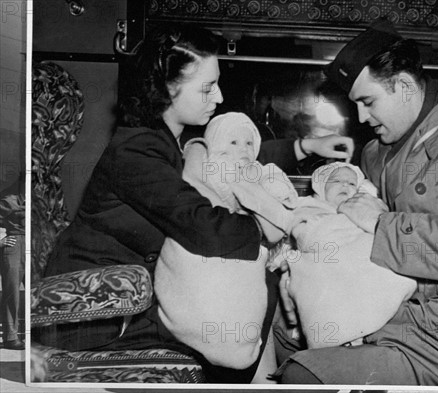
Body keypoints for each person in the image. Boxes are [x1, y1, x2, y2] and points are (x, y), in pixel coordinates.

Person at [33, 24, 353, 383]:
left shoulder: (162, 140)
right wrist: (275, 231)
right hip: (104, 312)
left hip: (137, 297)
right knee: (251, 292)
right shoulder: (136, 151)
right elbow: (203, 225)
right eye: (207, 88)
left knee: (256, 290)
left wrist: (305, 147)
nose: (218, 97)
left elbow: (228, 157)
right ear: (168, 88)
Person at [275, 19, 438, 386]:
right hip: (404, 316)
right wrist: (297, 271)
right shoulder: (376, 155)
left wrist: (382, 225)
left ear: (402, 86)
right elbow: (347, 233)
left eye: (368, 102)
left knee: (301, 375)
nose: (362, 118)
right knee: (279, 328)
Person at [155, 112, 297, 374]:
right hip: (201, 254)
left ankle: (247, 354)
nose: (242, 149)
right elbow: (199, 202)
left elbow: (280, 211)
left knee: (265, 282)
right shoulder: (207, 165)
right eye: (232, 143)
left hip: (243, 253)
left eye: (248, 143)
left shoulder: (256, 174)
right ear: (215, 145)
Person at [274, 162, 416, 350]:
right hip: (322, 259)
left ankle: (364, 327)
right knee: (318, 281)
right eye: (337, 181)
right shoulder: (306, 207)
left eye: (351, 184)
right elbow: (300, 237)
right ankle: (340, 332)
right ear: (320, 186)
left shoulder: (363, 210)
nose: (344, 186)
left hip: (355, 257)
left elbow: (378, 232)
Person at [0, 175, 26, 351]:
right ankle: (11, 337)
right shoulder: (9, 199)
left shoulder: (43, 198)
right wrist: (0, 240)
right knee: (12, 292)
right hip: (16, 242)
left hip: (37, 241)